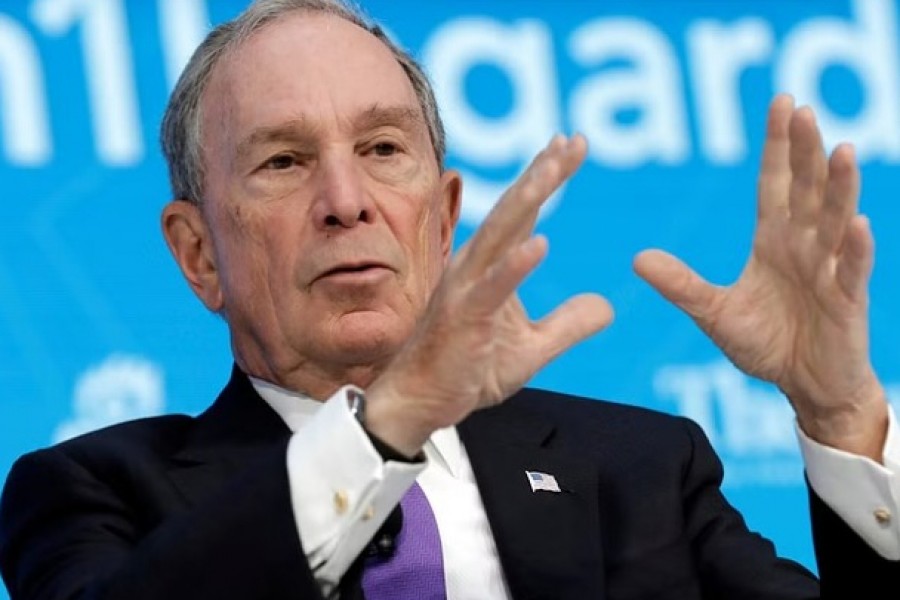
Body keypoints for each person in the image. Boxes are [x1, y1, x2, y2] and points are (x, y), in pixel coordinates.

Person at [1, 0, 898, 598]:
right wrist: (384, 427)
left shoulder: (639, 472)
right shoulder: (94, 492)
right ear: (198, 255)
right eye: (284, 161)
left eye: (384, 150)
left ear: (443, 218)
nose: (346, 201)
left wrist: (843, 419)